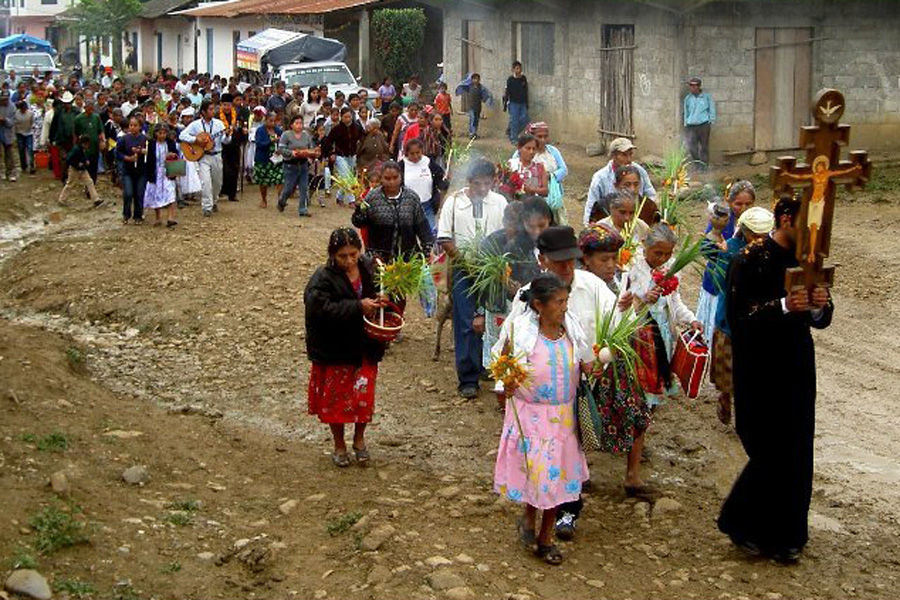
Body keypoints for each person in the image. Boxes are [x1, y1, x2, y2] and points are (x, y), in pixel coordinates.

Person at [718, 197, 832, 564]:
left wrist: (817, 303)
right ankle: (741, 524)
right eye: (807, 226)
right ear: (785, 219)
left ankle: (788, 535)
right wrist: (784, 306)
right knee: (768, 449)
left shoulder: (808, 260)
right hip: (760, 367)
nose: (813, 236)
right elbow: (740, 317)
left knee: (797, 448)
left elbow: (822, 316)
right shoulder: (750, 260)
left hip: (797, 363)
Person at [493, 272, 593, 566]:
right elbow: (504, 363)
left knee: (555, 478)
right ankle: (528, 516)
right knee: (538, 474)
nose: (564, 307)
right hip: (532, 416)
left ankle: (545, 537)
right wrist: (506, 383)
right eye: (559, 302)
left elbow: (582, 359)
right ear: (538, 305)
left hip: (562, 418)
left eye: (566, 301)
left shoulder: (571, 330)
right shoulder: (523, 334)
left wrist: (592, 366)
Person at [304, 227, 388, 467]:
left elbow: (380, 294)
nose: (349, 260)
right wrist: (357, 307)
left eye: (354, 254)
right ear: (332, 254)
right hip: (335, 350)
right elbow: (319, 310)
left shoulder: (370, 269)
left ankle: (359, 440)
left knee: (362, 397)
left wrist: (381, 302)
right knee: (336, 401)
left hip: (364, 347)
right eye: (343, 256)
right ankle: (339, 444)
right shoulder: (322, 279)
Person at [437, 159, 508, 398]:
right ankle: (468, 376)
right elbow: (445, 239)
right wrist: (466, 263)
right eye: (477, 184)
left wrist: (494, 263)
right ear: (469, 182)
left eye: (487, 184)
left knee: (491, 319)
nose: (482, 189)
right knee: (467, 321)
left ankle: (486, 363)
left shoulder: (499, 203)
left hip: (493, 270)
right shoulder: (454, 203)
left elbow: (506, 235)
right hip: (463, 269)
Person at [710, 206, 774, 426]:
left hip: (758, 319)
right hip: (730, 317)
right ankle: (725, 398)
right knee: (728, 370)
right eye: (755, 235)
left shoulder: (770, 252)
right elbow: (721, 284)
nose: (759, 239)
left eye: (763, 236)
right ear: (745, 232)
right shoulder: (730, 251)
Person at [629, 223, 703, 407]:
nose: (663, 258)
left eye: (668, 254)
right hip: (639, 330)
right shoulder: (632, 266)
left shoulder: (671, 267)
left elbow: (675, 302)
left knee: (658, 368)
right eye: (658, 253)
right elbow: (623, 303)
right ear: (646, 246)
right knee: (640, 372)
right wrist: (644, 299)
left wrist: (691, 319)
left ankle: (650, 404)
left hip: (663, 330)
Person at [696, 181, 756, 343]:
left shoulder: (756, 224)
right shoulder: (722, 220)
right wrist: (721, 252)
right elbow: (705, 249)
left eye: (748, 204)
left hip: (743, 288)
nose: (743, 208)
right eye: (738, 204)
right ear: (730, 203)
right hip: (718, 284)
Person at [351, 160, 434, 262]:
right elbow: (359, 223)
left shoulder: (411, 198)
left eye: (395, 178)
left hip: (408, 261)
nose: (392, 182)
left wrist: (428, 249)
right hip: (378, 260)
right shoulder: (372, 198)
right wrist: (359, 209)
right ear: (381, 178)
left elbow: (422, 226)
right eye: (387, 178)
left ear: (401, 176)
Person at [584, 138, 656, 225]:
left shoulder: (640, 172)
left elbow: (651, 195)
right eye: (624, 155)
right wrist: (588, 227)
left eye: (630, 154)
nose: (629, 159)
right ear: (613, 156)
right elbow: (591, 206)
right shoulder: (600, 178)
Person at [179, 99, 231, 217]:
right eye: (211, 109)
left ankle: (214, 200)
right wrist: (195, 140)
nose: (213, 111)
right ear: (203, 111)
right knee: (206, 182)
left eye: (214, 109)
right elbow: (182, 135)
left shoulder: (219, 124)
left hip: (217, 155)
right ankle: (207, 206)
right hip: (203, 157)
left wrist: (227, 136)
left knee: (217, 182)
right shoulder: (196, 125)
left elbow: (225, 141)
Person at [400, 138, 447, 232]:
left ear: (422, 151)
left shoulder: (428, 162)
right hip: (408, 207)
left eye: (418, 152)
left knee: (431, 232)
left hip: (427, 204)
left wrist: (443, 183)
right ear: (406, 153)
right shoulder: (401, 166)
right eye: (412, 154)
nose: (416, 156)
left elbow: (439, 177)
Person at [277, 114, 319, 216]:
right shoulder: (286, 135)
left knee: (304, 187)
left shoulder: (306, 135)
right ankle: (282, 200)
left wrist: (312, 154)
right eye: (297, 123)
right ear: (292, 125)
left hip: (303, 164)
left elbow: (311, 148)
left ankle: (302, 209)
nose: (299, 126)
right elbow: (280, 149)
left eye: (301, 123)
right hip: (290, 165)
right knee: (289, 188)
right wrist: (292, 153)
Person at [324, 107, 364, 206]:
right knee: (347, 176)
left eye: (349, 117)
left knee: (347, 176)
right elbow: (328, 142)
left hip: (352, 155)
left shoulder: (357, 127)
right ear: (341, 117)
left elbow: (363, 138)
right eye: (345, 117)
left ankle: (339, 197)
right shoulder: (336, 129)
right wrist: (331, 153)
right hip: (340, 155)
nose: (348, 119)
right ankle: (351, 200)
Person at [142, 123, 178, 227]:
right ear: (156, 133)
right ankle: (158, 217)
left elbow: (176, 154)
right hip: (155, 172)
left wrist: (171, 155)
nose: (162, 135)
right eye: (160, 133)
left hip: (167, 171)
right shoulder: (152, 144)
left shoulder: (170, 143)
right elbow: (149, 160)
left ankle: (170, 217)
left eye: (164, 133)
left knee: (170, 192)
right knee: (155, 193)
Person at [117, 116, 148, 224]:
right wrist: (128, 158)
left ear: (140, 127)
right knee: (128, 193)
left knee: (139, 194)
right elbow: (118, 153)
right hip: (128, 170)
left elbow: (151, 153)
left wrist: (143, 151)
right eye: (131, 125)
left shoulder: (145, 139)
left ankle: (138, 215)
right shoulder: (124, 139)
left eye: (135, 125)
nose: (132, 128)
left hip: (141, 171)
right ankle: (126, 214)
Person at [58, 135, 100, 206]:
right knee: (70, 184)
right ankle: (62, 199)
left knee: (89, 182)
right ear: (83, 143)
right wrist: (77, 164)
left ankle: (96, 199)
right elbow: (68, 159)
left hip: (82, 169)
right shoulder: (76, 150)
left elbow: (83, 156)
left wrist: (85, 161)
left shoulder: (81, 149)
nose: (88, 146)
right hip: (74, 169)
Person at [253, 112, 283, 209]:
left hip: (276, 159)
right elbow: (259, 144)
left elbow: (283, 141)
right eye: (270, 121)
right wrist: (271, 141)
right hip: (263, 159)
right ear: (265, 120)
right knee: (263, 182)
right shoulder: (260, 131)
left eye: (274, 121)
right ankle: (264, 199)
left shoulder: (277, 130)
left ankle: (281, 200)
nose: (272, 123)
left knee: (280, 178)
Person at [683, 77, 716, 167]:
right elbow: (686, 112)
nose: (692, 88)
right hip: (691, 126)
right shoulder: (688, 99)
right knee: (692, 147)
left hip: (703, 125)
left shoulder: (706, 97)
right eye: (691, 85)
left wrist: (711, 121)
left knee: (704, 146)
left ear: (699, 86)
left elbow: (712, 109)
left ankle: (704, 166)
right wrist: (686, 123)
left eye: (695, 86)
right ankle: (697, 164)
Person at [219, 93, 245, 203]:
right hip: (222, 146)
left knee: (235, 168)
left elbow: (241, 127)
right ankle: (222, 190)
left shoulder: (237, 114)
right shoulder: (217, 115)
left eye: (229, 105)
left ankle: (232, 194)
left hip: (235, 144)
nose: (227, 107)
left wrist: (243, 132)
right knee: (225, 169)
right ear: (221, 105)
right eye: (225, 105)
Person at [508, 132, 548, 200]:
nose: (531, 152)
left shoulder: (540, 167)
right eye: (528, 148)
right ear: (519, 148)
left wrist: (531, 190)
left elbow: (545, 191)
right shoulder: (511, 165)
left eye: (534, 149)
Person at [74, 100, 104, 183]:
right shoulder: (78, 119)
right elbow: (76, 133)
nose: (91, 110)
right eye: (89, 108)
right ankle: (87, 185)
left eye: (92, 108)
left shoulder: (96, 117)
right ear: (85, 108)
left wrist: (102, 141)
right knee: (86, 166)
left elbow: (100, 131)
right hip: (85, 148)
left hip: (95, 146)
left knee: (94, 166)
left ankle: (93, 183)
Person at [457, 73, 492, 138]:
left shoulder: (481, 88)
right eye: (474, 79)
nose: (476, 80)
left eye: (477, 79)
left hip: (478, 106)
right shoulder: (468, 87)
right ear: (472, 79)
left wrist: (487, 99)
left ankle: (474, 132)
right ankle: (471, 133)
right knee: (472, 119)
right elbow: (461, 85)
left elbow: (485, 94)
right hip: (470, 106)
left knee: (476, 120)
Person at [504, 61, 529, 144]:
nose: (519, 70)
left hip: (522, 103)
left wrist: (527, 103)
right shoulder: (510, 80)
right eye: (517, 69)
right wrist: (506, 104)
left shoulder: (523, 78)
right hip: (513, 103)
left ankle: (510, 131)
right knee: (514, 121)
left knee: (525, 119)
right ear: (513, 70)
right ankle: (514, 138)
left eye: (520, 69)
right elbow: (507, 92)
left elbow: (526, 91)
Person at [14, 100, 34, 176]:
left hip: (29, 133)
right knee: (21, 150)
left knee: (30, 149)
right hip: (19, 133)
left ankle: (31, 165)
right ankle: (23, 165)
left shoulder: (30, 113)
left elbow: (32, 122)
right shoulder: (16, 114)